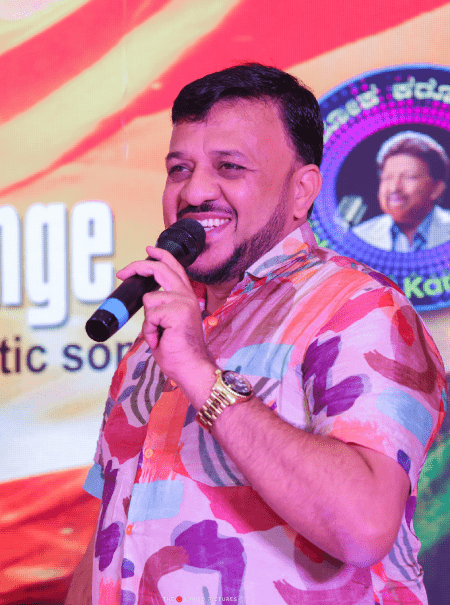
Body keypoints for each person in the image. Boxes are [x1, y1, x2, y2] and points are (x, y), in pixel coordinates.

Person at [66, 64, 446, 605]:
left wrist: (201, 375)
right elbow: (110, 538)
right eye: (179, 169)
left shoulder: (358, 307)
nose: (195, 190)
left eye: (230, 166)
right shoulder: (156, 338)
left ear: (301, 190)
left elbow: (363, 527)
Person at [353, 131, 450, 251]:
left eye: (409, 177)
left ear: (437, 188)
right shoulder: (359, 237)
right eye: (387, 178)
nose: (394, 188)